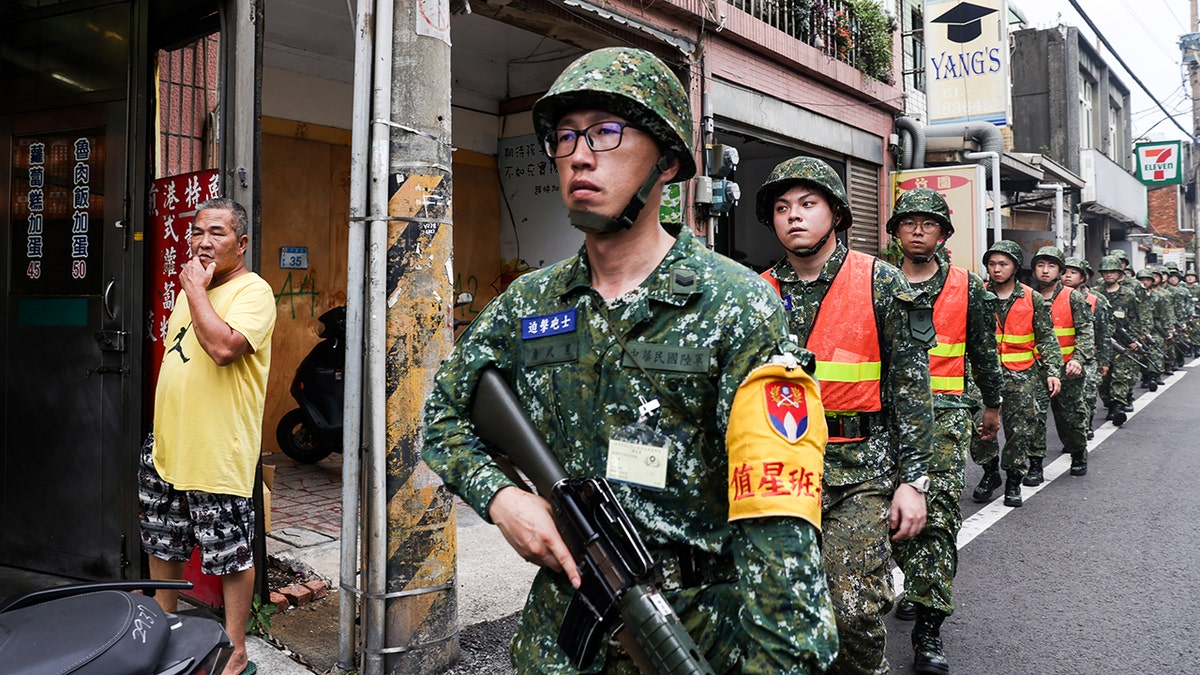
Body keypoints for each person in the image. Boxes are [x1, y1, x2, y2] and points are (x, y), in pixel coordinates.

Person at [422, 47, 837, 673]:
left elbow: (777, 517)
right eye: (565, 138)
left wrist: (786, 660)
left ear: (667, 162)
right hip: (563, 632)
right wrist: (503, 499)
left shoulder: (738, 305)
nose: (579, 155)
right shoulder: (529, 303)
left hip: (693, 629)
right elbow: (444, 415)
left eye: (606, 132)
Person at [757, 156, 933, 675]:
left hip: (861, 470)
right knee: (783, 614)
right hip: (781, 474)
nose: (794, 216)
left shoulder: (882, 282)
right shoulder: (754, 293)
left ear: (835, 213)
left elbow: (910, 389)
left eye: (808, 204)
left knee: (852, 610)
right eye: (783, 207)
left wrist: (914, 481)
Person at [139, 197, 277, 675]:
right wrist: (195, 290)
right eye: (197, 231)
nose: (202, 241)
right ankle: (164, 634)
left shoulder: (253, 292)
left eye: (216, 233)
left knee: (230, 555)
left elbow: (222, 349)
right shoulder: (191, 289)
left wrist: (196, 289)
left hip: (218, 449)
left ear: (241, 244)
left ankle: (235, 650)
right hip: (168, 446)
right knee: (162, 544)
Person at [884, 188, 1003, 674]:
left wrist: (991, 406)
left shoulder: (965, 286)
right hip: (882, 417)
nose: (917, 230)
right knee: (884, 518)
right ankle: (913, 580)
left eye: (928, 223)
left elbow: (983, 350)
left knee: (935, 519)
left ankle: (928, 631)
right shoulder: (875, 281)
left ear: (943, 234)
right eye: (908, 222)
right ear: (894, 231)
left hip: (945, 417)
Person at [970, 241, 1062, 507]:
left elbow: (1047, 338)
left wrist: (1052, 371)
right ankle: (989, 473)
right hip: (982, 375)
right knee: (979, 427)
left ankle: (1013, 480)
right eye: (992, 264)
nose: (996, 270)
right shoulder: (978, 295)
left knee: (1019, 431)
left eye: (1003, 264)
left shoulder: (1031, 298)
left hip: (1021, 376)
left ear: (1014, 267)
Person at [1028, 246, 1094, 478]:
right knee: (1034, 417)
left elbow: (1086, 331)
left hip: (1068, 369)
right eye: (1040, 265)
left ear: (1060, 270)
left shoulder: (1072, 296)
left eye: (1051, 266)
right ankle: (1035, 464)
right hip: (1036, 368)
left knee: (1071, 416)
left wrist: (1078, 359)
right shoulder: (1027, 296)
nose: (1045, 271)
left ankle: (1078, 453)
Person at [1062, 257, 1110, 439]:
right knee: (1067, 401)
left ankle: (1085, 426)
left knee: (1087, 394)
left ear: (1082, 277)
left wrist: (1104, 360)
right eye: (1065, 272)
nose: (1068, 276)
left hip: (1089, 357)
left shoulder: (1095, 301)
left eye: (1073, 272)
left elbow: (1103, 333)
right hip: (1062, 356)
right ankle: (1071, 433)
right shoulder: (1052, 298)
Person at [1096, 256, 1146, 425]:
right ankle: (1110, 403)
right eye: (1106, 272)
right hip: (1101, 343)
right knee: (1104, 380)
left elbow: (1134, 320)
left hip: (1122, 343)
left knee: (1120, 376)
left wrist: (1134, 340)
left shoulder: (1128, 295)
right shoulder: (1096, 293)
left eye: (1113, 272)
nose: (1109, 275)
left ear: (1119, 274)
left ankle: (1117, 407)